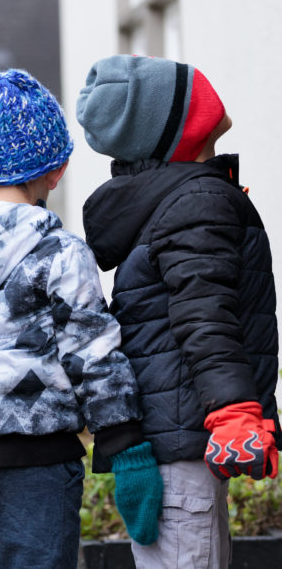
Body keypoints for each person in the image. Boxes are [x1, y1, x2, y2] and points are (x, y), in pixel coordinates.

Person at [0, 69, 160, 569]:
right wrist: (125, 446)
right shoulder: (57, 251)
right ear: (55, 170)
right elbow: (93, 354)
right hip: (35, 462)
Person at [76, 55, 279, 568]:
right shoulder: (196, 202)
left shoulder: (179, 198)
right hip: (188, 444)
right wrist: (234, 412)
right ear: (172, 129)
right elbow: (204, 315)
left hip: (177, 439)